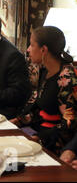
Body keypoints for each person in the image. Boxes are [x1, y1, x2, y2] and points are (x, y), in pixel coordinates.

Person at [10, 26, 77, 156]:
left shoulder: (66, 77)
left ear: (43, 49)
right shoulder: (44, 71)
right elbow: (37, 108)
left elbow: (70, 122)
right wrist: (18, 121)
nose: (28, 50)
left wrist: (38, 138)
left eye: (31, 45)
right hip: (37, 135)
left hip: (57, 146)